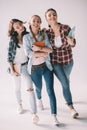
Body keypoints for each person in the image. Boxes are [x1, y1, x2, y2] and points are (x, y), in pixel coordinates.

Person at [23, 15, 59, 125]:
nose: (36, 23)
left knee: (50, 90)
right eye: (34, 21)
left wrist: (39, 49)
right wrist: (44, 52)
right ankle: (39, 100)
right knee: (38, 88)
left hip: (46, 66)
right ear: (29, 23)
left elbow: (50, 50)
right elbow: (29, 54)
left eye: (38, 21)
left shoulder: (44, 35)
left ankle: (54, 116)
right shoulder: (26, 37)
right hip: (34, 69)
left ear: (40, 23)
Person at [45, 8, 79, 118]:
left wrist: (72, 42)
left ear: (57, 16)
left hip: (68, 61)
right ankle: (71, 108)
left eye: (54, 14)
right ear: (46, 19)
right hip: (55, 62)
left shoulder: (65, 27)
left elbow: (72, 42)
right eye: (49, 15)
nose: (52, 17)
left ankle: (67, 97)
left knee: (67, 80)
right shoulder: (46, 32)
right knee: (65, 82)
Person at [7, 19, 39, 124]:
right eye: (17, 27)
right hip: (16, 66)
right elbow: (9, 57)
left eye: (20, 25)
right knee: (17, 88)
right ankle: (19, 105)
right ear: (14, 30)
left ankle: (34, 113)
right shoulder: (12, 40)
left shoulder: (28, 36)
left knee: (30, 89)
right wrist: (12, 70)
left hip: (26, 66)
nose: (20, 27)